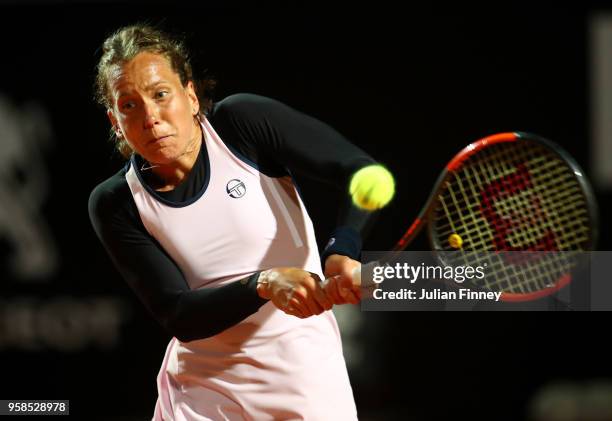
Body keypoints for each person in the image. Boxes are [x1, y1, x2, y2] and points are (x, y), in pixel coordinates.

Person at [88, 24, 381, 420]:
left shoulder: (241, 123)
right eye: (129, 106)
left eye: (161, 95)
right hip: (200, 393)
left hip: (305, 376)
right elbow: (179, 314)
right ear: (114, 121)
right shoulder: (115, 202)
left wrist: (342, 252)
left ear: (190, 96)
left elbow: (361, 172)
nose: (150, 117)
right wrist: (263, 283)